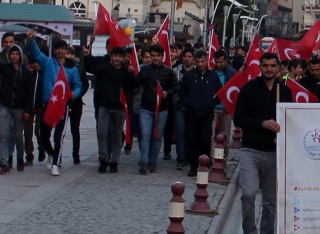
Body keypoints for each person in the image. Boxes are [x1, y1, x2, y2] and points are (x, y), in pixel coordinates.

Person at [234, 51, 288, 234]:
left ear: (278, 68)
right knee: (247, 193)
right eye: (265, 66)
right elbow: (239, 118)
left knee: (270, 200)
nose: (269, 69)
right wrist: (261, 123)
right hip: (251, 150)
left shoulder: (284, 91)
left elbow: (290, 118)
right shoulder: (248, 89)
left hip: (274, 152)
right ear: (260, 67)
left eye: (273, 66)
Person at [23, 32, 84, 177]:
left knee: (59, 136)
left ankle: (56, 163)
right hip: (48, 103)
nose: (60, 51)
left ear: (66, 50)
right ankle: (50, 153)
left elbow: (78, 85)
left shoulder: (72, 69)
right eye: (58, 48)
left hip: (63, 106)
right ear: (55, 50)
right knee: (43, 133)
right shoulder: (48, 63)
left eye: (63, 48)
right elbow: (37, 53)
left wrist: (75, 93)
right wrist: (31, 40)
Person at [85, 42, 137, 173]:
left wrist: (131, 76)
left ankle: (115, 161)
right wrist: (86, 56)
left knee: (117, 136)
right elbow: (90, 68)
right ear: (111, 56)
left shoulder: (126, 71)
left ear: (124, 57)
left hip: (119, 108)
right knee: (102, 133)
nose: (117, 59)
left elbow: (134, 86)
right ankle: (103, 159)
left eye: (120, 56)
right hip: (105, 106)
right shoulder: (104, 69)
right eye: (115, 56)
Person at [0, 39, 31, 174]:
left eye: (17, 54)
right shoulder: (5, 69)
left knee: (17, 136)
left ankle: (20, 158)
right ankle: (4, 162)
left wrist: (28, 110)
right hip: (5, 105)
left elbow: (30, 93)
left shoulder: (26, 73)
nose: (14, 56)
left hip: (19, 107)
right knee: (3, 134)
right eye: (12, 54)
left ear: (21, 56)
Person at [136, 43, 177, 174]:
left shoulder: (169, 72)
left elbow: (175, 88)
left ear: (162, 56)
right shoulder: (144, 70)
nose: (155, 58)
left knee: (157, 137)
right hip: (146, 107)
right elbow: (135, 84)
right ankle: (144, 162)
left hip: (162, 109)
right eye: (153, 56)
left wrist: (167, 93)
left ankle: (153, 161)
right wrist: (132, 73)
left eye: (158, 56)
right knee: (145, 134)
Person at [178, 49, 221, 170]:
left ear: (207, 61)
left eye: (203, 61)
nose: (200, 64)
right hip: (191, 113)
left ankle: (204, 163)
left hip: (207, 114)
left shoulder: (213, 76)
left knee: (205, 138)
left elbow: (220, 92)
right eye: (198, 61)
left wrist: (212, 103)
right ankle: (193, 165)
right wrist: (188, 103)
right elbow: (181, 92)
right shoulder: (189, 76)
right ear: (195, 61)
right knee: (192, 139)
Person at [68, 44, 89, 165]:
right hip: (62, 102)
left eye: (70, 54)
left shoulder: (79, 69)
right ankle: (57, 154)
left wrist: (78, 94)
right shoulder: (59, 67)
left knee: (75, 129)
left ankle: (76, 153)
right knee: (60, 130)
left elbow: (85, 84)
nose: (68, 56)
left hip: (76, 102)